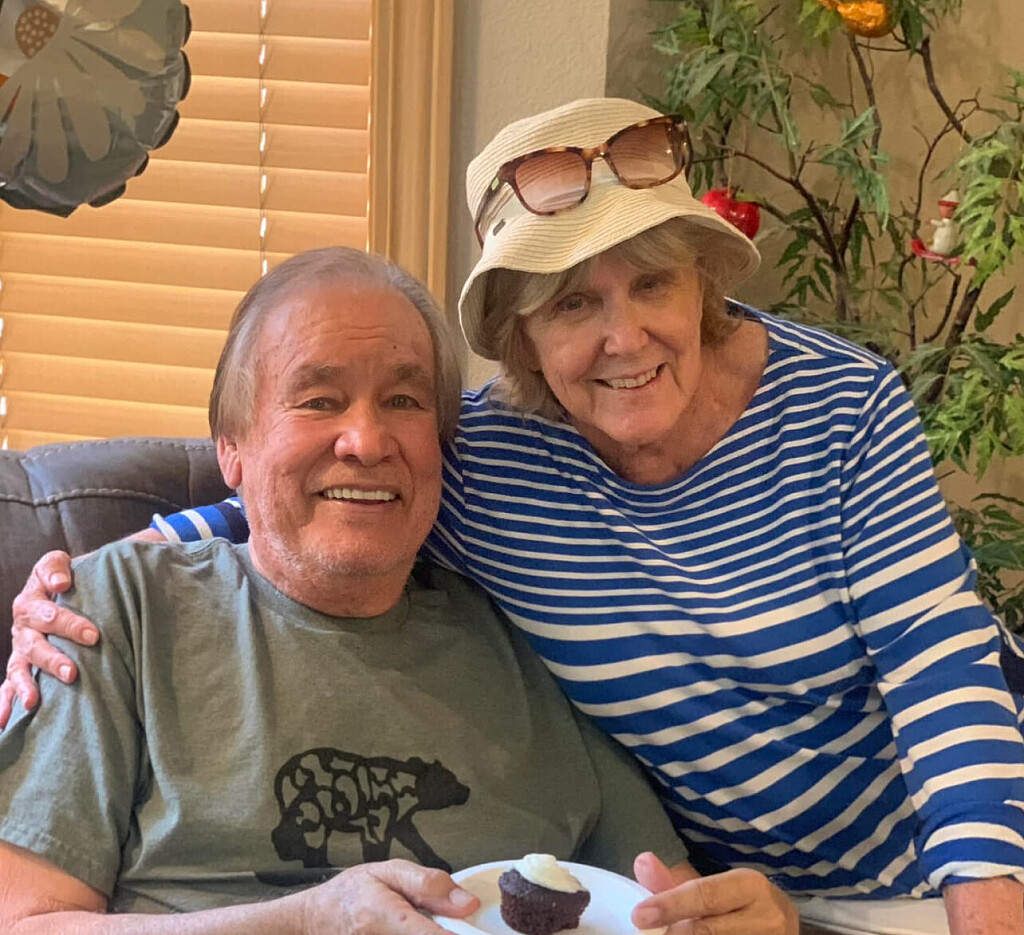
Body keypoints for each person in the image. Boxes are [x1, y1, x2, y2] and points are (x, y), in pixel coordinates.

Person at [5, 98, 1024, 934]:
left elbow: (942, 671)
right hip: (738, 888)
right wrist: (83, 581)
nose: (625, 336)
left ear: (703, 286)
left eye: (653, 282)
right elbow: (309, 496)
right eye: (573, 301)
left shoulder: (840, 407)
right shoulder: (494, 457)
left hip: (935, 869)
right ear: (523, 337)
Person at [0, 247, 798, 933]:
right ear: (231, 449)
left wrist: (755, 919)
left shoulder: (527, 638)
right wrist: (304, 920)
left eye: (405, 402)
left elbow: (671, 902)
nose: (366, 439)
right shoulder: (113, 612)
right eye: (319, 399)